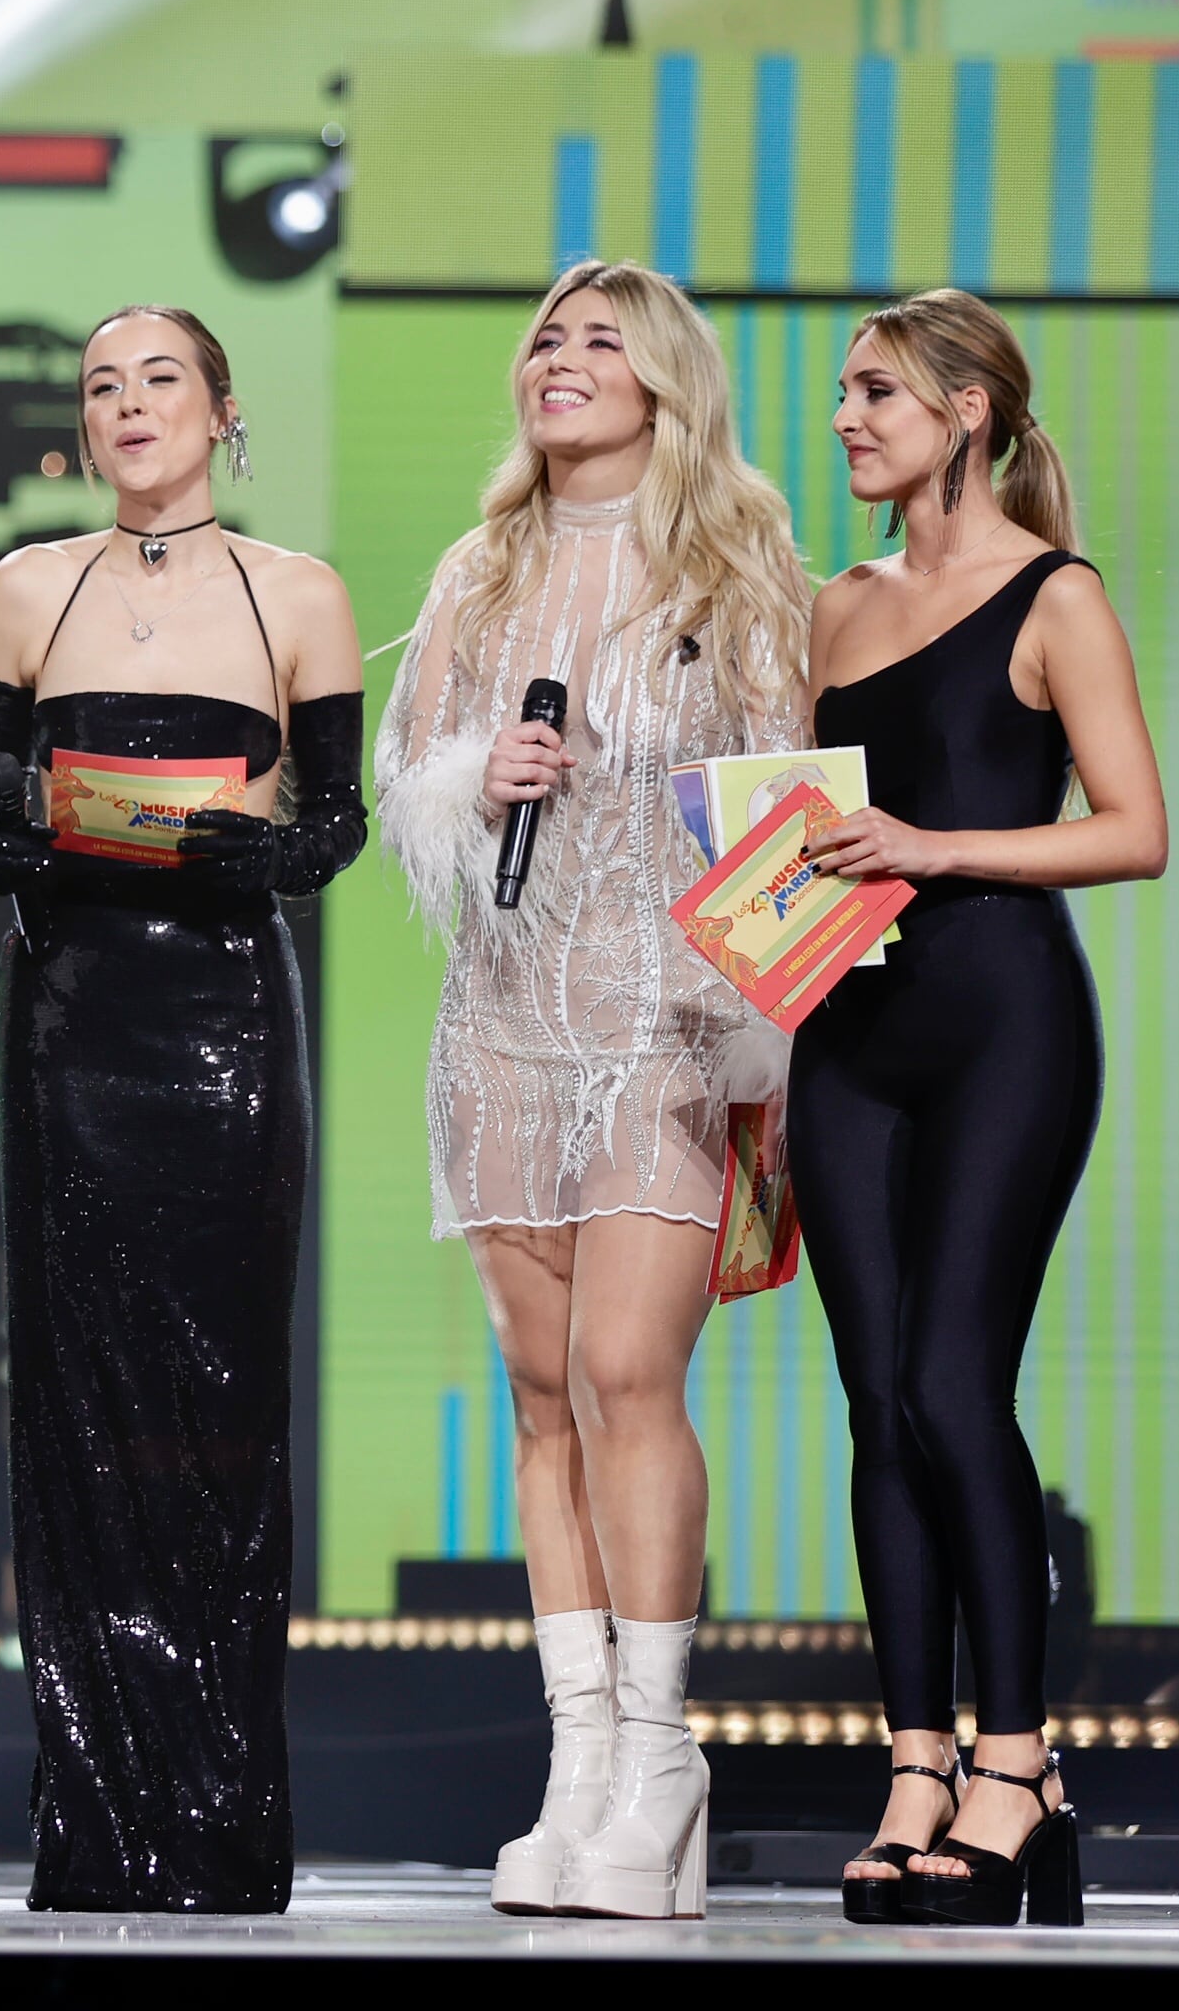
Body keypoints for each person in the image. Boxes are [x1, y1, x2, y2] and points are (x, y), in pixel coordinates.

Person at [370, 259, 809, 1920]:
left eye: (599, 341)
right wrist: (482, 777)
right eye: (546, 337)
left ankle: (663, 1754)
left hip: (670, 1026)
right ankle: (575, 1769)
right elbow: (411, 780)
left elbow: (785, 799)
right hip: (500, 1025)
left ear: (663, 382)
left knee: (631, 1372)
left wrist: (757, 1015)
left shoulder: (736, 561)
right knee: (543, 1395)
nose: (561, 360)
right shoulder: (479, 571)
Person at [0, 306, 366, 1914]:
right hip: (68, 1016)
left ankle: (217, 1818)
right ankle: (95, 1822)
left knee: (221, 1397)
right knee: (73, 1393)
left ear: (222, 413)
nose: (129, 407)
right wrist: (6, 832)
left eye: (160, 382)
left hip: (223, 1026)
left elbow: (330, 821)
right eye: (103, 387)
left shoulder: (301, 594)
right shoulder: (22, 587)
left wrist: (265, 857)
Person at [794, 289, 1164, 1929]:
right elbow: (802, 825)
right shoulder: (830, 606)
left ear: (966, 410)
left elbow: (1133, 828)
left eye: (875, 392)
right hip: (842, 1028)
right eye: (844, 395)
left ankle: (1019, 1771)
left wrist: (936, 851)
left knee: (955, 1385)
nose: (848, 419)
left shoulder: (1055, 596)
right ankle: (918, 1767)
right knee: (878, 1405)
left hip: (1006, 1019)